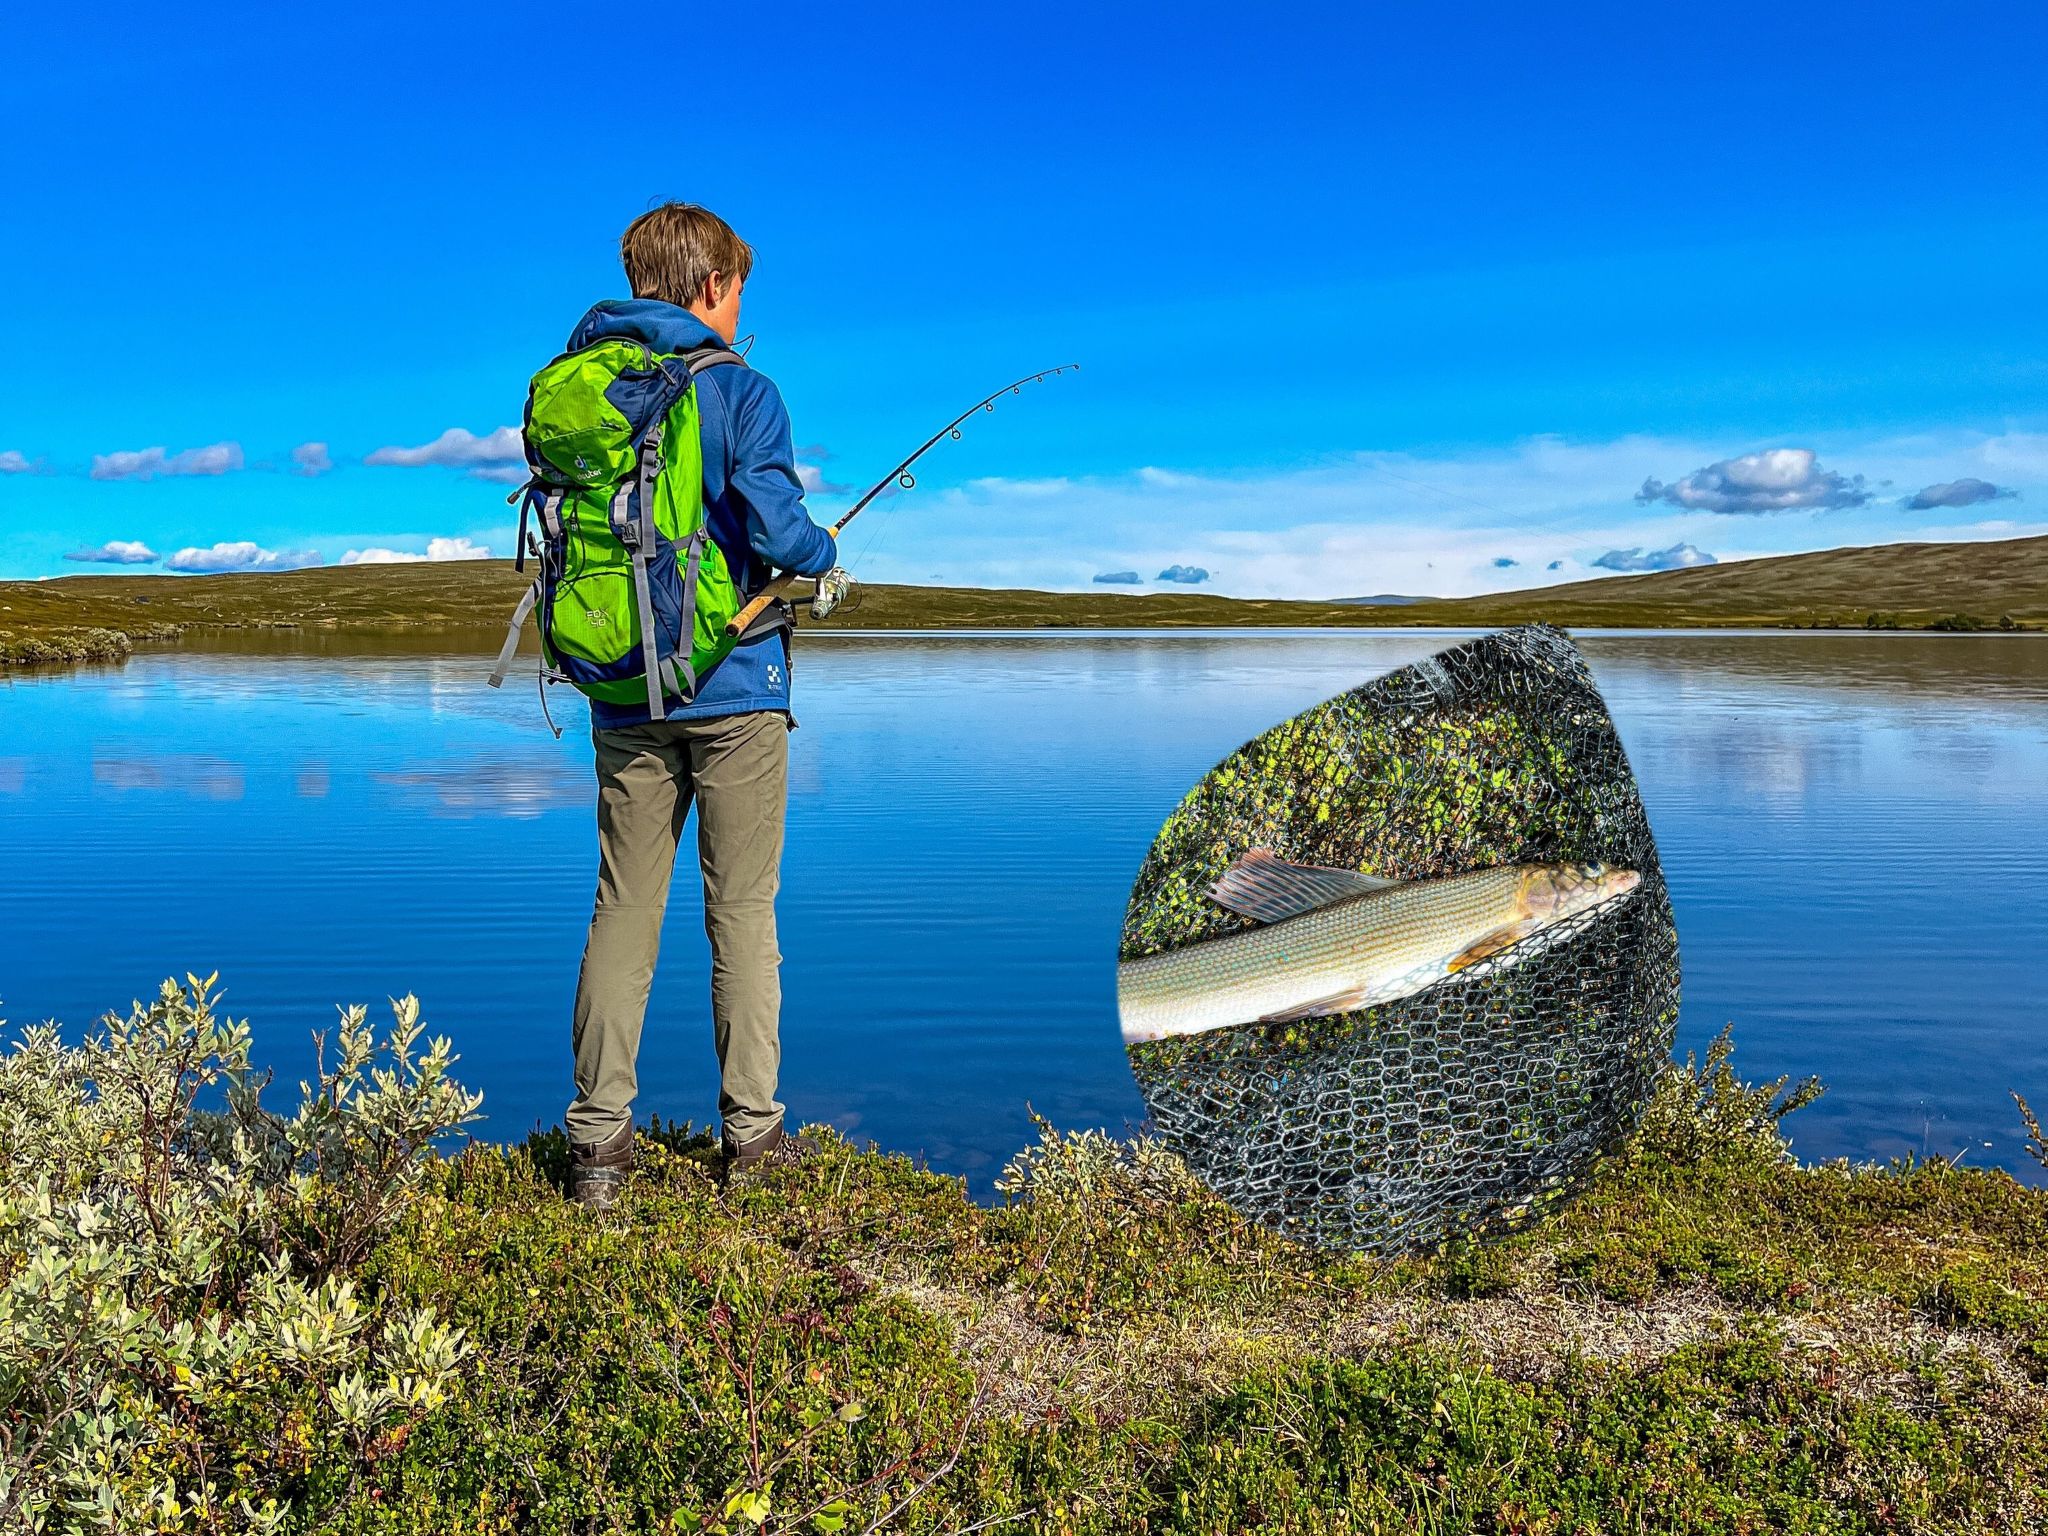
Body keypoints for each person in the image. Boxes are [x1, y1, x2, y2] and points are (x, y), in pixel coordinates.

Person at [563, 201, 842, 1206]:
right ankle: (752, 1145)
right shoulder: (740, 389)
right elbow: (777, 529)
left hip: (621, 688)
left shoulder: (584, 387)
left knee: (622, 908)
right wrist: (824, 555)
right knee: (743, 912)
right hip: (732, 686)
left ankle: (597, 1150)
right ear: (714, 285)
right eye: (738, 294)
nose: (738, 313)